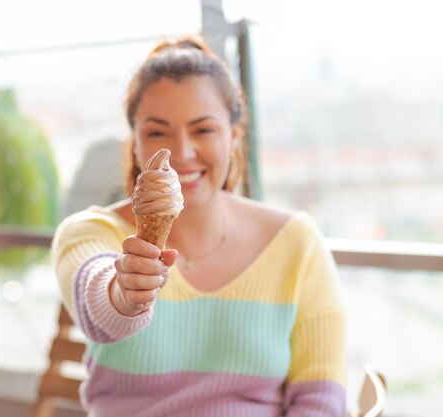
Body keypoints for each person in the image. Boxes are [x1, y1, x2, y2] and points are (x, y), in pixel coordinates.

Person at [52, 35, 346, 417]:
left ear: (234, 137)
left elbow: (321, 400)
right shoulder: (89, 233)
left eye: (203, 130)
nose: (183, 153)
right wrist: (126, 293)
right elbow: (98, 302)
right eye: (157, 132)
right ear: (136, 144)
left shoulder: (297, 244)